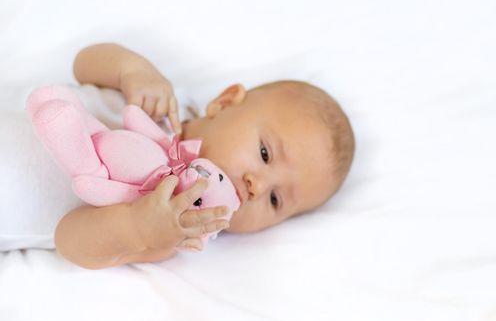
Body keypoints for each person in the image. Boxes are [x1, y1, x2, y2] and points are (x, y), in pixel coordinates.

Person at [3, 43, 356, 269]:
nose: (257, 186)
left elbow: (70, 239)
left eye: (276, 199)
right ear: (224, 102)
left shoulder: (169, 234)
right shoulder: (161, 102)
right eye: (264, 153)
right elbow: (83, 64)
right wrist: (133, 69)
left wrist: (135, 227)